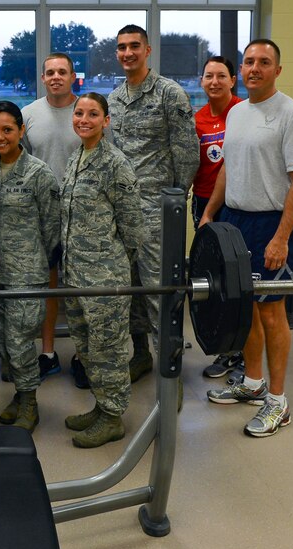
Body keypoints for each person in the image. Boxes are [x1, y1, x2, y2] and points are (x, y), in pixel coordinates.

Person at [201, 39, 293, 437]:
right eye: (249, 61)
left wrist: (282, 237)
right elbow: (227, 169)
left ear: (277, 70)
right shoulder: (237, 113)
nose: (255, 68)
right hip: (234, 220)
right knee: (244, 307)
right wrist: (210, 212)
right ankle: (253, 384)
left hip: (270, 224)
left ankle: (278, 402)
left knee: (272, 313)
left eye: (263, 62)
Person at [107, 25, 198, 385]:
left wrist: (175, 201)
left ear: (147, 50)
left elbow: (187, 152)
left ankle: (169, 370)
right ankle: (141, 354)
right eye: (121, 48)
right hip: (122, 211)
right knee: (130, 290)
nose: (127, 53)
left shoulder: (168, 94)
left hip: (158, 212)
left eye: (134, 46)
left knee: (160, 292)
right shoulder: (114, 98)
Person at [60, 93, 143, 448]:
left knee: (108, 349)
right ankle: (102, 404)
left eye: (93, 114)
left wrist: (109, 262)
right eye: (79, 113)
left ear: (106, 121)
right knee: (87, 347)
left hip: (105, 277)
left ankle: (113, 418)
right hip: (75, 274)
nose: (84, 119)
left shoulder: (114, 164)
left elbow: (134, 228)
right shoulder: (76, 158)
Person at [0, 101, 60, 433]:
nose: (0, 137)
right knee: (2, 338)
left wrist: (39, 264)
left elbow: (52, 225)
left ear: (21, 131)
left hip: (26, 273)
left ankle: (29, 402)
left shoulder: (38, 173)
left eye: (7, 130)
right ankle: (20, 391)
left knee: (19, 340)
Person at [20, 53, 85, 387]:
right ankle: (47, 354)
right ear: (43, 78)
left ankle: (83, 355)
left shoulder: (87, 112)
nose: (56, 76)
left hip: (84, 215)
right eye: (50, 72)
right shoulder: (28, 115)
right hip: (42, 214)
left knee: (80, 286)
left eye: (62, 71)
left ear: (73, 75)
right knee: (49, 286)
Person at [192, 56, 246, 381]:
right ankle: (227, 350)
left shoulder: (242, 112)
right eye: (209, 76)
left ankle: (243, 353)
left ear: (231, 81)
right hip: (203, 203)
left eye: (221, 76)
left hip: (233, 204)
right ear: (202, 82)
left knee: (238, 280)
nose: (214, 82)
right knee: (214, 279)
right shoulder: (197, 119)